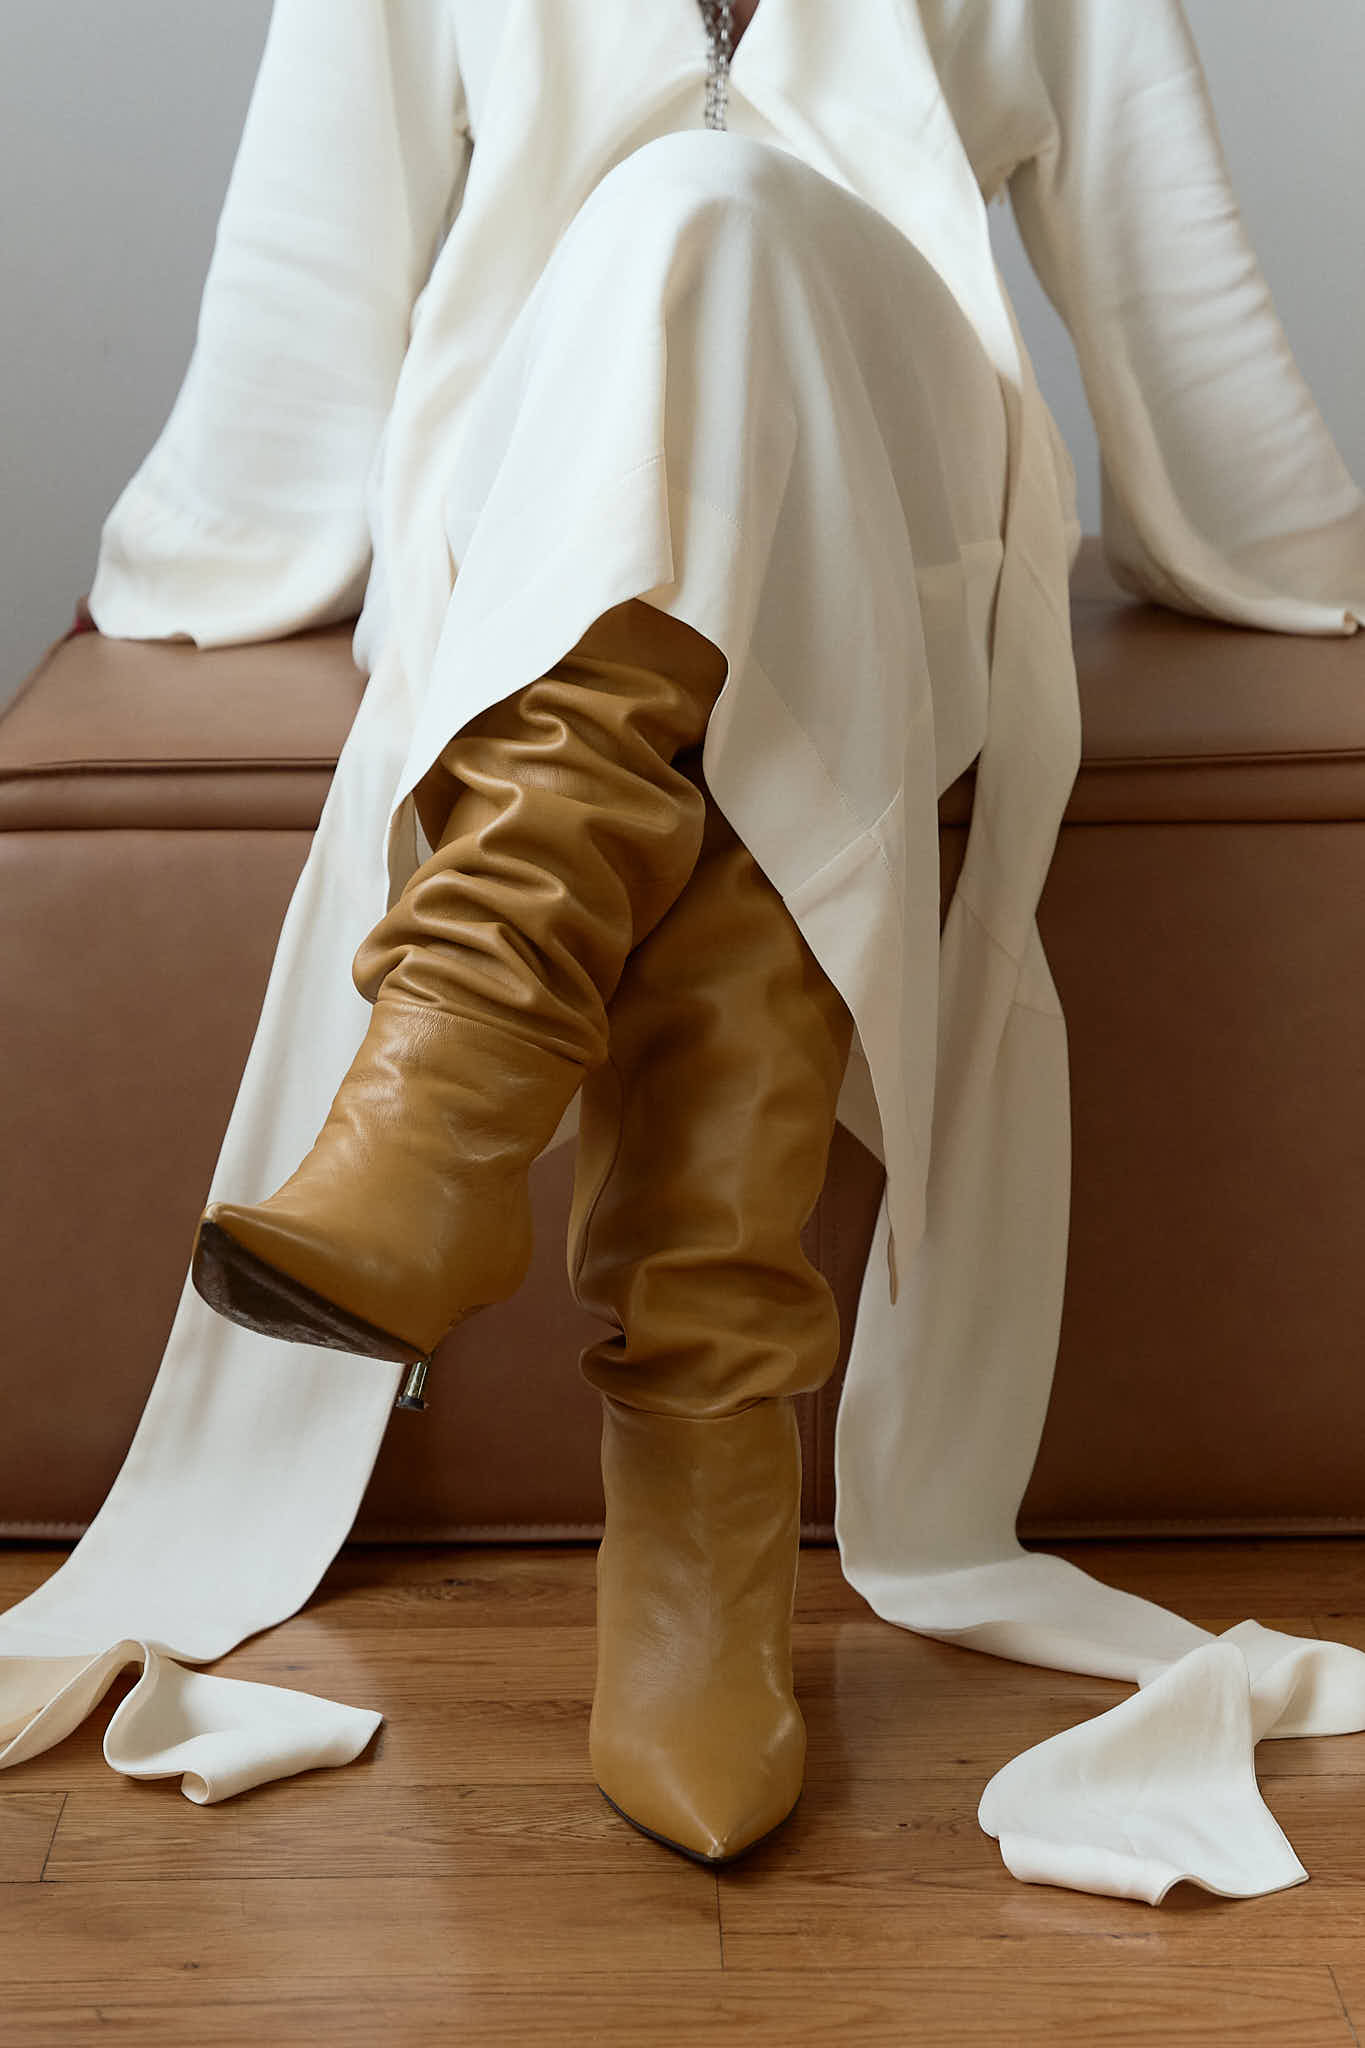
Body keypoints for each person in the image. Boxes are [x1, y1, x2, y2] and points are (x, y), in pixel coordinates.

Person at [2, 0, 1362, 1898]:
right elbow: (317, 266)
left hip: (895, 480)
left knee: (708, 213)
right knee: (674, 283)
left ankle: (449, 1098)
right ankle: (698, 1471)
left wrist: (1295, 557)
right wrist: (198, 560)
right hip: (536, 489)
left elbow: (1164, 261)